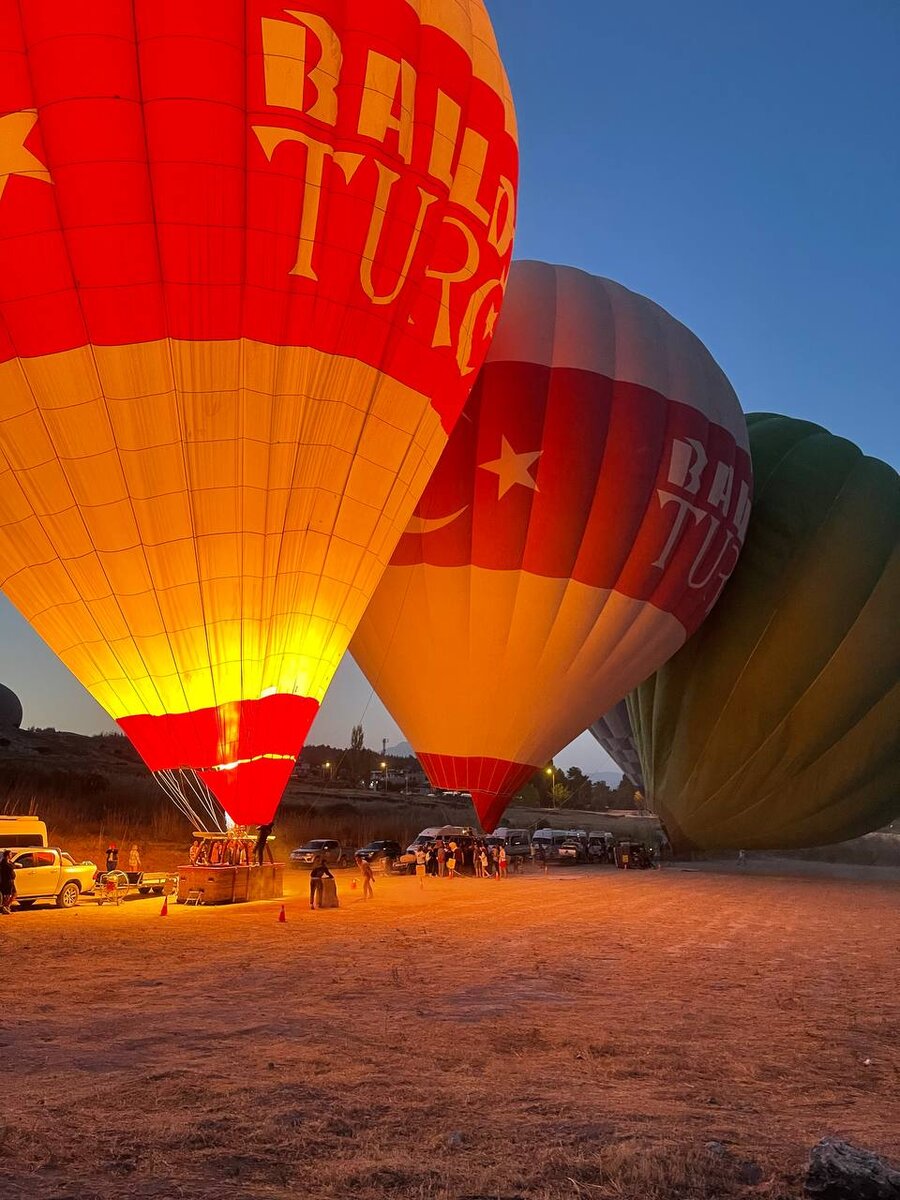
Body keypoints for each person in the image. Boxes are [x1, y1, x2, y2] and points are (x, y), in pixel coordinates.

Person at [0, 850, 16, 914]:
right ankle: (4, 907)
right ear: (7, 856)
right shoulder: (4, 863)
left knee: (14, 894)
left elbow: (13, 866)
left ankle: (7, 906)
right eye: (10, 854)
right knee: (7, 895)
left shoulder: (9, 862)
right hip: (7, 881)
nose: (11, 855)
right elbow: (11, 867)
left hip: (11, 880)